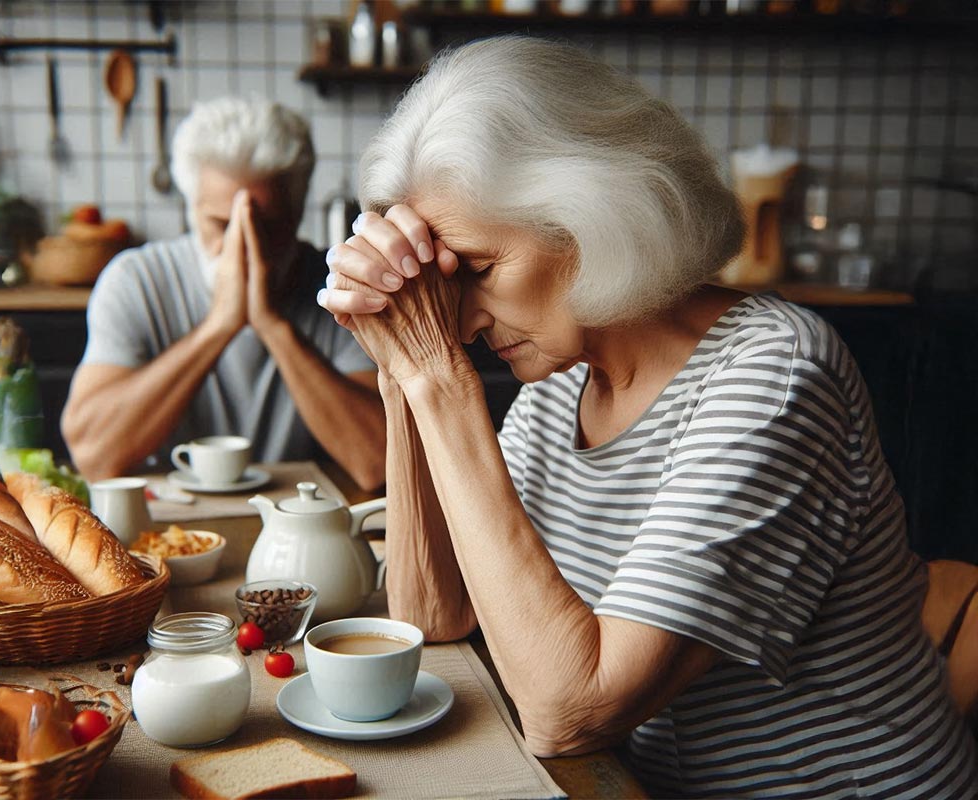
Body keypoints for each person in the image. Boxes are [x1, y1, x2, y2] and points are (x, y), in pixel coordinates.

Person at [318, 36, 978, 798]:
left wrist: (437, 375)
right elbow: (433, 615)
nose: (459, 321)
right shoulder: (562, 384)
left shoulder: (776, 376)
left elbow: (570, 713)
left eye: (477, 270)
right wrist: (401, 370)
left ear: (588, 213)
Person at [63, 97, 385, 488]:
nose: (244, 245)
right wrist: (219, 324)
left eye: (267, 227)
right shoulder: (135, 280)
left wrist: (271, 324)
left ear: (298, 214)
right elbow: (93, 454)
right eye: (220, 224)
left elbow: (379, 462)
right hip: (170, 521)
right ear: (191, 211)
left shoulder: (341, 289)